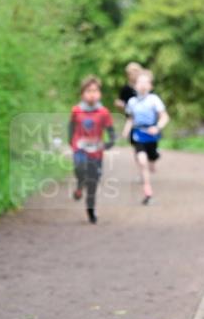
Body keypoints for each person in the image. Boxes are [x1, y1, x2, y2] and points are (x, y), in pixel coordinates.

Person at [69, 75, 115, 224]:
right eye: (88, 91)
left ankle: (90, 209)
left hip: (96, 151)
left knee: (93, 182)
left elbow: (111, 131)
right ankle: (79, 184)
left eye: (95, 91)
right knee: (80, 167)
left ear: (99, 93)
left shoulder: (104, 112)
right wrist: (72, 143)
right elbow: (71, 127)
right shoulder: (76, 110)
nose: (92, 94)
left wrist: (108, 144)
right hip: (80, 148)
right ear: (82, 93)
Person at [122, 70, 169, 205]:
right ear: (135, 85)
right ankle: (148, 192)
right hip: (138, 133)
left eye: (145, 82)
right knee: (142, 161)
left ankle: (154, 157)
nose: (142, 85)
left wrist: (157, 127)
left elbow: (164, 117)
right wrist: (126, 130)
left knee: (152, 157)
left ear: (150, 86)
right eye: (139, 82)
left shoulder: (154, 100)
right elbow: (131, 118)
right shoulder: (131, 102)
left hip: (152, 133)